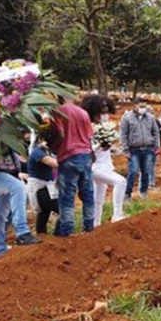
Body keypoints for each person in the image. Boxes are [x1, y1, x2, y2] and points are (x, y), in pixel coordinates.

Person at [0, 146, 40, 259]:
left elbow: (21, 160)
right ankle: (22, 232)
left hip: (9, 176)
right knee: (18, 188)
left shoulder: (9, 138)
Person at [84, 95, 127, 227]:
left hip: (106, 165)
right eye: (102, 112)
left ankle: (95, 224)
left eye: (107, 112)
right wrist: (99, 146)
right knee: (120, 181)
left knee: (99, 198)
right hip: (94, 167)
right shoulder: (87, 128)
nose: (105, 115)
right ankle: (117, 214)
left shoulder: (105, 128)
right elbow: (87, 150)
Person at [55, 98, 96, 236]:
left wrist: (54, 147)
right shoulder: (83, 113)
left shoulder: (59, 111)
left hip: (68, 155)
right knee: (88, 193)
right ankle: (89, 227)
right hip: (85, 155)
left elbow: (60, 134)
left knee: (67, 196)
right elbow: (89, 136)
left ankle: (67, 232)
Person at [120, 98, 160, 201]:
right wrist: (125, 150)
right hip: (134, 149)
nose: (143, 108)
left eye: (144, 106)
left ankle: (143, 192)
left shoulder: (150, 118)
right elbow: (123, 134)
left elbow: (155, 132)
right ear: (135, 106)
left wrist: (157, 146)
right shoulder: (127, 118)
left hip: (148, 149)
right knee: (133, 171)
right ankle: (127, 194)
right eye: (141, 106)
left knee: (146, 171)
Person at [27, 138, 59, 235]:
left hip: (46, 188)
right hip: (40, 188)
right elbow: (53, 163)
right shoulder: (37, 152)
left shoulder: (46, 152)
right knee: (64, 210)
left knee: (44, 212)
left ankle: (42, 237)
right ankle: (58, 235)